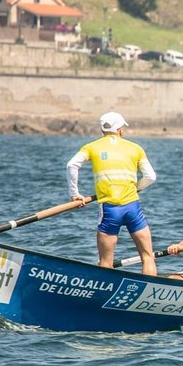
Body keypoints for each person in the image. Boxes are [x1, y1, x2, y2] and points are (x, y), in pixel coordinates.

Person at [66, 111, 157, 274]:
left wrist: (75, 193)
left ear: (102, 130)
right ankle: (150, 288)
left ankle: (105, 288)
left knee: (105, 261)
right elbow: (151, 177)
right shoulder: (136, 148)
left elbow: (71, 165)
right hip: (133, 208)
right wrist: (136, 188)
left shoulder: (91, 147)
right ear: (120, 129)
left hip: (110, 209)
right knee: (147, 257)